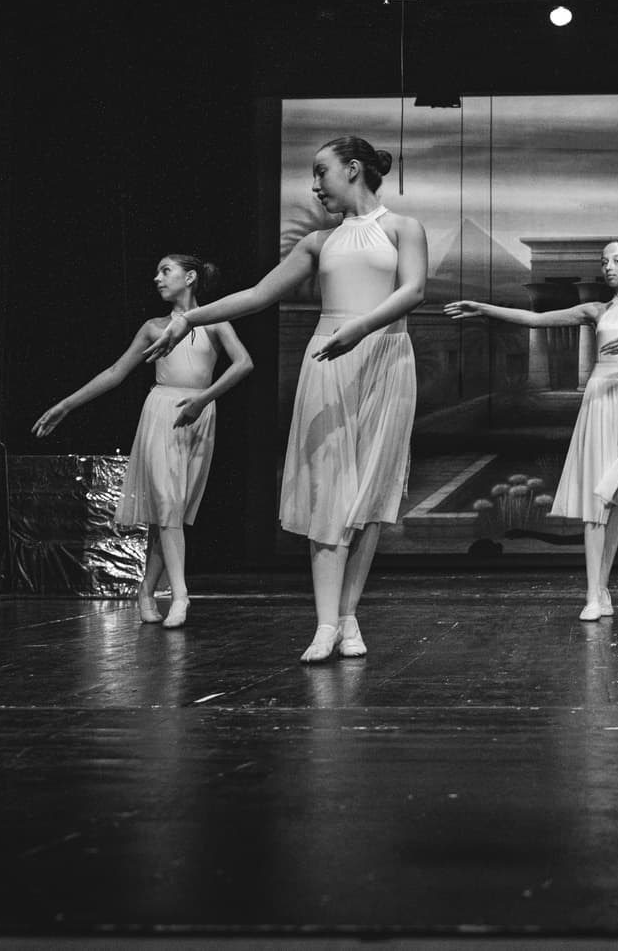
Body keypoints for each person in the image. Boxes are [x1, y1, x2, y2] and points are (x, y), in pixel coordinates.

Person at [143, 136, 426, 662]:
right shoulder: (319, 242)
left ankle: (348, 616)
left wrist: (361, 328)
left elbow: (413, 290)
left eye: (321, 171)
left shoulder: (402, 228)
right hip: (331, 361)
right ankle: (325, 623)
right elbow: (257, 295)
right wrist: (187, 319)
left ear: (353, 169)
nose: (315, 185)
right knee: (328, 493)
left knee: (370, 498)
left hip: (386, 360)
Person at [445, 241, 618, 620]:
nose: (608, 267)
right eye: (604, 261)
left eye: (617, 260)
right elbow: (535, 319)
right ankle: (595, 593)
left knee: (616, 495)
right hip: (600, 399)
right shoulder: (595, 310)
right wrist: (484, 308)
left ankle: (601, 587)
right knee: (598, 499)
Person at [32, 254, 252, 628]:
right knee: (167, 506)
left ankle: (146, 590)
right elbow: (116, 372)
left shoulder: (214, 320)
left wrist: (203, 400)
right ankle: (180, 595)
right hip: (163, 413)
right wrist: (66, 405)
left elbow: (243, 363)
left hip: (199, 414)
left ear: (190, 277)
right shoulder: (153, 328)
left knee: (172, 513)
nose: (157, 278)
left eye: (166, 271)